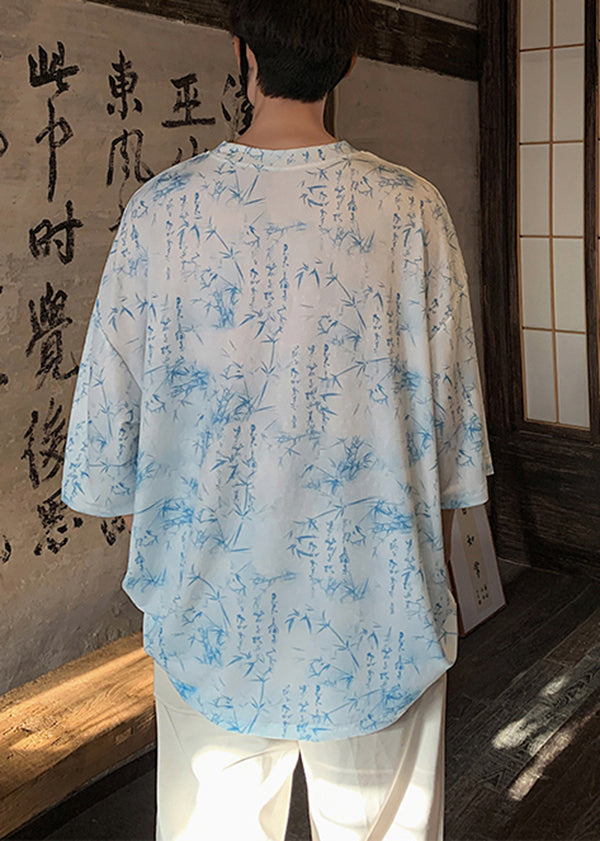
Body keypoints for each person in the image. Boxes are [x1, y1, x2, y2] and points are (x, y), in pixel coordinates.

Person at [62, 0, 493, 838]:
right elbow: (450, 439)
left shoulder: (162, 211)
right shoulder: (413, 211)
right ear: (348, 61)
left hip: (209, 616)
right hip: (379, 617)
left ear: (241, 51)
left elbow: (108, 449)